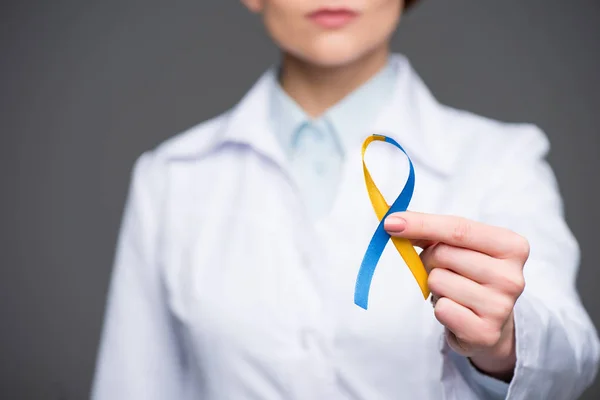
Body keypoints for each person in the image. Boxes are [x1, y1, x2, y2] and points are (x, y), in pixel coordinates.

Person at [91, 0, 600, 399]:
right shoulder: (170, 178)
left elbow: (572, 359)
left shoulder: (502, 158)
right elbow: (132, 385)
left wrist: (506, 343)